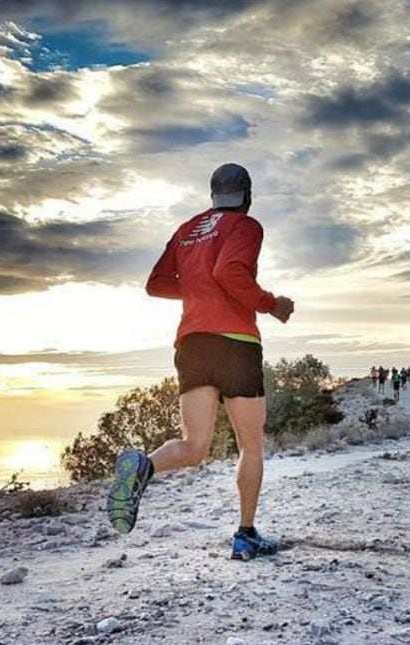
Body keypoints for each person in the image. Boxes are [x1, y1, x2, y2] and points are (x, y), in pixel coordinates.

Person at [105, 162, 295, 560]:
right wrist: (270, 304)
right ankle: (245, 535)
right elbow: (229, 271)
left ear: (213, 195)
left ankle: (145, 466)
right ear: (246, 194)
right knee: (251, 445)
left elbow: (156, 284)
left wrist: (197, 291)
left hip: (191, 343)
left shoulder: (187, 230)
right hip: (235, 342)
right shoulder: (246, 226)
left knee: (195, 445)